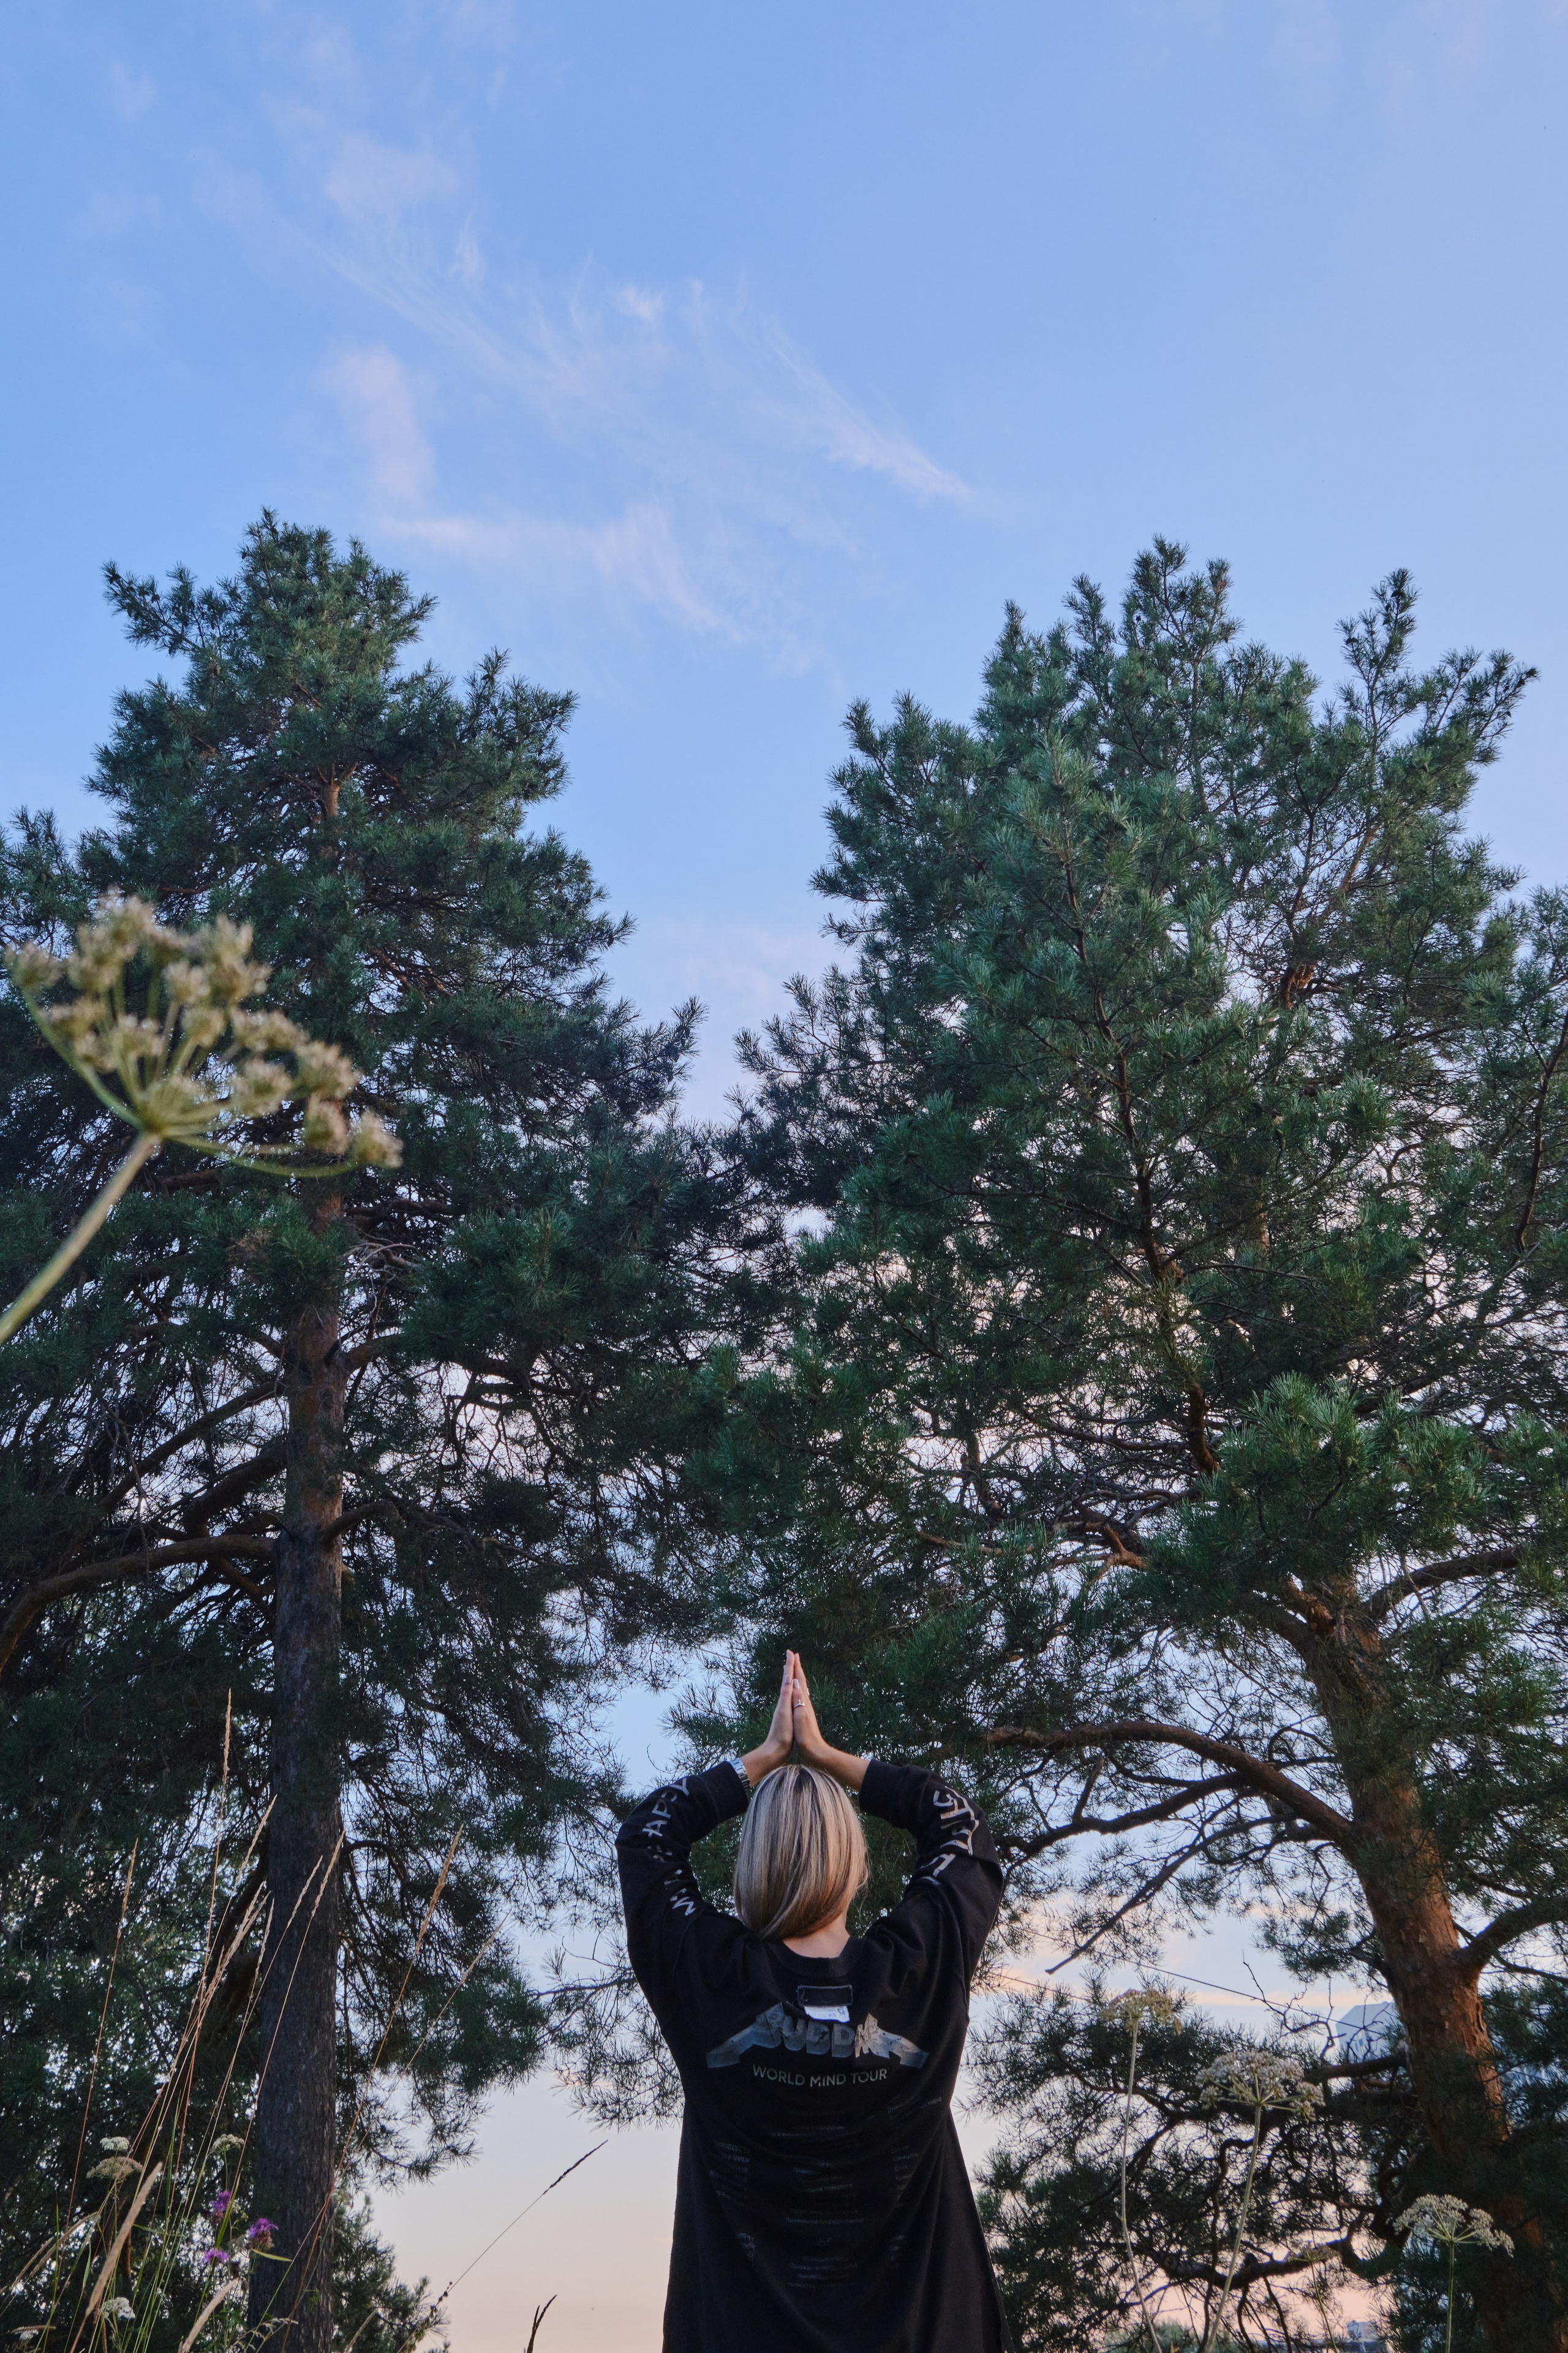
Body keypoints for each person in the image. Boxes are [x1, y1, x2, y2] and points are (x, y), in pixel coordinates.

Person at [616, 1651, 1015, 2353]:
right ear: (853, 1861)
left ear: (751, 1864)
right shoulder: (918, 1969)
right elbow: (960, 1828)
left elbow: (650, 1836)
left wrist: (762, 1762)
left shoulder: (709, 1977)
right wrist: (833, 1760)